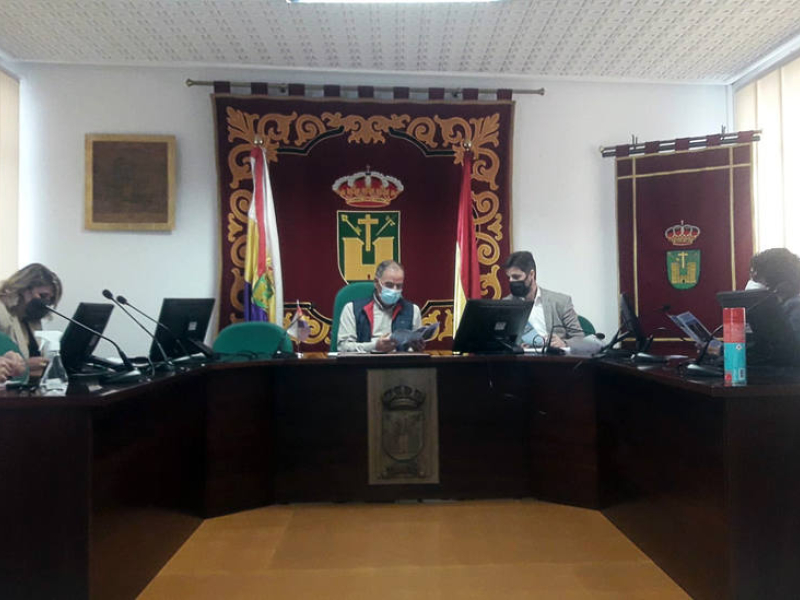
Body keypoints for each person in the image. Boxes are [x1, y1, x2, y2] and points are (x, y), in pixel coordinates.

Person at [503, 251, 584, 349]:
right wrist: (517, 345)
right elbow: (502, 340)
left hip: (555, 356)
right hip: (523, 357)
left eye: (516, 277)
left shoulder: (561, 302)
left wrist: (564, 343)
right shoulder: (506, 304)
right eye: (509, 277)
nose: (511, 281)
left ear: (531, 274)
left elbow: (580, 338)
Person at [337, 260, 422, 353]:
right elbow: (342, 347)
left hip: (399, 361)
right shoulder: (352, 309)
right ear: (376, 283)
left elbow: (415, 351)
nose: (394, 290)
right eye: (389, 285)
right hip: (365, 360)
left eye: (399, 286)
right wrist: (374, 346)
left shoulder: (413, 310)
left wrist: (417, 347)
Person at [0, 263, 63, 370]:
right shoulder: (2, 313)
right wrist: (25, 365)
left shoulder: (32, 319)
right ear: (23, 289)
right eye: (42, 296)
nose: (46, 302)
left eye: (50, 299)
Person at [746, 247, 800, 346]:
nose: (754, 283)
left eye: (758, 278)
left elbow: (788, 348)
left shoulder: (795, 306)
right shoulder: (779, 304)